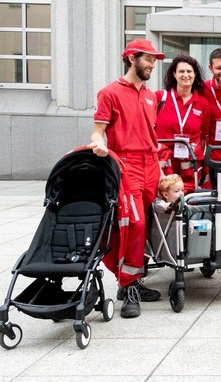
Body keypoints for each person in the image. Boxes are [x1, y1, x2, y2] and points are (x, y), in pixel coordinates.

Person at [89, 38, 163, 318]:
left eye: (155, 60)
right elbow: (98, 130)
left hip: (151, 165)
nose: (152, 65)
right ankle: (129, 285)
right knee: (133, 223)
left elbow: (151, 134)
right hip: (126, 165)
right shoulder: (109, 92)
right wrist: (98, 144)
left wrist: (161, 167)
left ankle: (131, 279)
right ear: (132, 58)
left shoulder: (150, 96)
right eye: (148, 59)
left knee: (146, 224)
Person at [155, 55, 210, 194]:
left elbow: (203, 136)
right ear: (174, 74)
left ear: (195, 74)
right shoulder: (160, 98)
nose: (186, 75)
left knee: (189, 201)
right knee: (163, 202)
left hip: (190, 165)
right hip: (164, 164)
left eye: (189, 71)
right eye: (181, 71)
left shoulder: (202, 103)